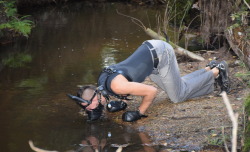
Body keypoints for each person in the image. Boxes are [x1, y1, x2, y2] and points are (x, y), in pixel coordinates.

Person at [68, 39, 230, 122]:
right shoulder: (102, 82)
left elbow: (151, 92)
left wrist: (139, 113)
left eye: (89, 106)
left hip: (160, 54)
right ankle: (209, 69)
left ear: (95, 97)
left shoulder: (117, 86)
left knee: (177, 96)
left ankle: (218, 71)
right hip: (149, 56)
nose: (90, 110)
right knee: (176, 86)